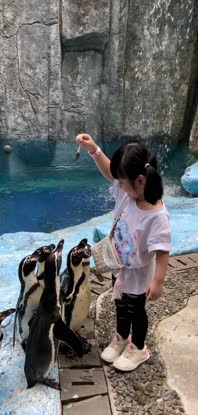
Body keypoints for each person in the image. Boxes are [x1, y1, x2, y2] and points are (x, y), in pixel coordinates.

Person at [76, 133, 171, 372]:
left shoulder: (156, 216)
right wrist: (95, 149)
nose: (117, 184)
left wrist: (158, 282)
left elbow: (162, 252)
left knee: (136, 310)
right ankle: (121, 337)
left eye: (122, 182)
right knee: (120, 304)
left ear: (140, 181)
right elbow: (111, 172)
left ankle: (139, 348)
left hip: (139, 275)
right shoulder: (129, 194)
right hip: (120, 266)